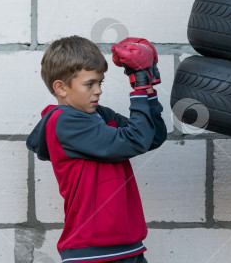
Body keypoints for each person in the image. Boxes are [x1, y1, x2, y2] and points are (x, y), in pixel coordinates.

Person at [26, 35, 167, 263]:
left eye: (100, 82)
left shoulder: (100, 115)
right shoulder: (63, 122)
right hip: (94, 252)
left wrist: (148, 86)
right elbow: (134, 140)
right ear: (61, 88)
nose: (98, 90)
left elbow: (153, 137)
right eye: (89, 84)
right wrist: (138, 85)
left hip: (127, 247)